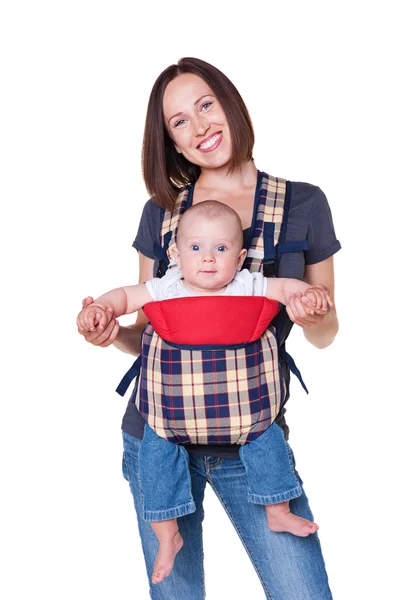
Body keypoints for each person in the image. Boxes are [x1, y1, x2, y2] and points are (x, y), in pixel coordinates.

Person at [79, 57, 340, 599]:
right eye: (179, 121)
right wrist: (110, 333)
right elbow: (148, 329)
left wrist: (316, 314)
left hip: (253, 437)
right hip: (160, 433)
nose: (199, 127)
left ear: (230, 103)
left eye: (205, 105)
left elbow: (325, 332)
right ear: (172, 142)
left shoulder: (304, 204)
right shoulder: (161, 214)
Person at [77, 200, 333, 584]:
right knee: (155, 459)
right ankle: (167, 535)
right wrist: (100, 308)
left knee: (269, 443)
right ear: (176, 254)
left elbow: (285, 287)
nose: (209, 259)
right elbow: (126, 297)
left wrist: (306, 296)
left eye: (222, 249)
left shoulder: (247, 282)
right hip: (168, 424)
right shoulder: (165, 287)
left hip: (247, 421)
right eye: (196, 249)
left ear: (241, 256)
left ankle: (278, 508)